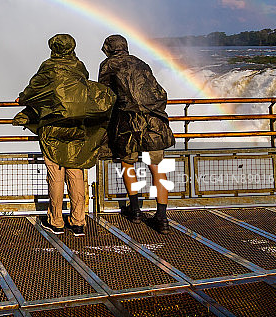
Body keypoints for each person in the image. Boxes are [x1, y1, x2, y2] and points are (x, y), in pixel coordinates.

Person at [15, 34, 115, 237]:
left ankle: (56, 221)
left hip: (53, 128)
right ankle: (78, 221)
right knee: (76, 172)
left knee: (56, 175)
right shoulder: (79, 66)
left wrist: (22, 99)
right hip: (77, 126)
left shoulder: (49, 67)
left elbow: (34, 89)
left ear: (53, 47)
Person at [98, 34, 175, 234]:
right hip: (153, 124)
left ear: (108, 48)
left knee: (127, 164)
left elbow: (104, 97)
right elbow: (159, 93)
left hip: (127, 125)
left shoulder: (108, 65)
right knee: (157, 168)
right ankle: (162, 217)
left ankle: (135, 210)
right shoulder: (142, 63)